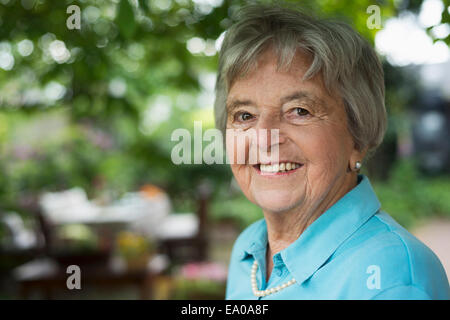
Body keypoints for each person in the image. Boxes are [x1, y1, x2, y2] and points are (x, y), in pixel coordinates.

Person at [213, 4, 450, 299]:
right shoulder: (248, 251)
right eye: (244, 115)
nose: (263, 137)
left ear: (358, 137)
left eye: (299, 111)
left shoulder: (392, 277)